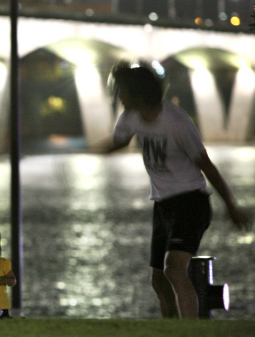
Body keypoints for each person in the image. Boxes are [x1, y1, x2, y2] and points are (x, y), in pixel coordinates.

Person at [105, 63, 252, 319]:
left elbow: (206, 165)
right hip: (162, 204)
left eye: (122, 90)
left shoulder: (176, 122)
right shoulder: (130, 117)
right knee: (158, 280)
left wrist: (231, 207)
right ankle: (171, 329)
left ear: (138, 92)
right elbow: (121, 140)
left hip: (191, 202)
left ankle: (190, 331)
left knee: (174, 269)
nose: (118, 96)